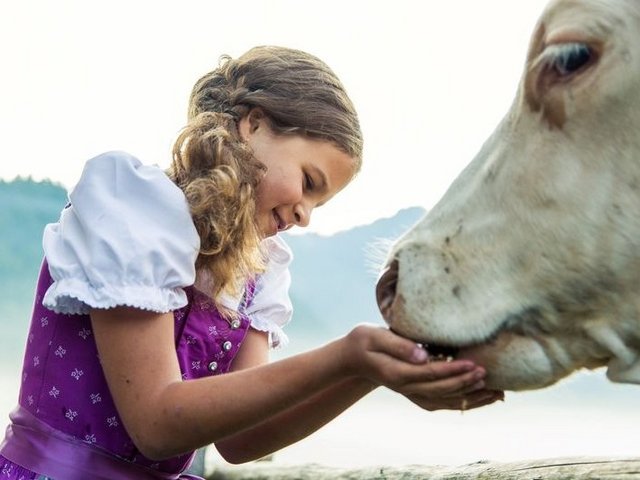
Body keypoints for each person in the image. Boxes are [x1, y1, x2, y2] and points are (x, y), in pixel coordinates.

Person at [0, 46, 503, 479]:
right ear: (253, 123)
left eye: (319, 204)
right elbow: (156, 425)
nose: (305, 215)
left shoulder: (255, 273)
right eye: (309, 182)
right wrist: (345, 355)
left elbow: (243, 441)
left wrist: (368, 373)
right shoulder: (132, 210)